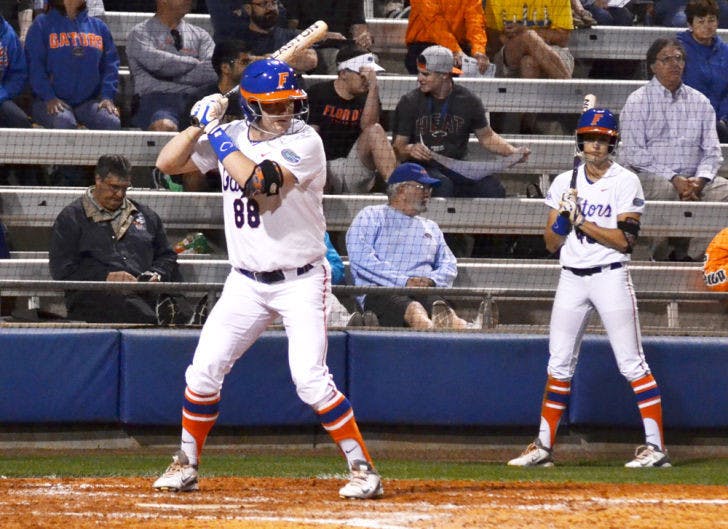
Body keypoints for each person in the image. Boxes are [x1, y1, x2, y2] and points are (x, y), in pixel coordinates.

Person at [150, 57, 383, 499]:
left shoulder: (306, 142)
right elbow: (167, 163)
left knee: (310, 379)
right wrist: (197, 124)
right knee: (202, 372)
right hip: (245, 281)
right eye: (273, 106)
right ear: (251, 105)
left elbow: (260, 183)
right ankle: (186, 464)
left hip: (301, 280)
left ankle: (362, 468)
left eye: (289, 103)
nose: (284, 113)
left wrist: (215, 132)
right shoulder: (232, 134)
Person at [507, 108, 670, 468]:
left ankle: (656, 449)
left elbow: (625, 241)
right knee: (559, 363)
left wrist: (583, 221)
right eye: (589, 139)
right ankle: (543, 446)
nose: (594, 146)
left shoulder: (626, 181)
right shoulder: (564, 181)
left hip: (610, 275)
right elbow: (550, 243)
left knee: (631, 362)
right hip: (570, 277)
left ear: (612, 143)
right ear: (580, 142)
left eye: (601, 140)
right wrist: (564, 220)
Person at [48, 154, 196, 325]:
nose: (119, 194)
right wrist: (106, 277)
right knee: (134, 309)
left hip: (146, 292)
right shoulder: (71, 218)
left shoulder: (146, 215)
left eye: (125, 188)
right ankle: (160, 321)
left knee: (182, 309)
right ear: (98, 180)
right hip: (96, 297)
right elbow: (62, 270)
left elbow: (167, 256)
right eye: (114, 187)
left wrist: (156, 273)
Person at [619, 37, 727, 261]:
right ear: (652, 67)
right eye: (666, 59)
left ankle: (694, 259)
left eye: (678, 58)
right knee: (664, 189)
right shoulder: (637, 101)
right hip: (651, 177)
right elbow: (634, 153)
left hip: (694, 180)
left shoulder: (700, 102)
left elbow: (712, 152)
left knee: (725, 190)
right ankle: (656, 257)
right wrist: (673, 177)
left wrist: (701, 179)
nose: (674, 63)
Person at [346, 162, 480, 329]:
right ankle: (436, 334)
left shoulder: (431, 226)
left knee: (446, 314)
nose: (428, 193)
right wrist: (404, 281)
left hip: (425, 291)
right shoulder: (370, 215)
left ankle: (473, 330)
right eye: (421, 187)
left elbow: (449, 264)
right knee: (415, 311)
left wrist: (432, 281)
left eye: (429, 188)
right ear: (401, 190)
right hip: (383, 291)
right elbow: (361, 259)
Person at [392, 45, 530, 199]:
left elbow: (487, 137)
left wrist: (513, 152)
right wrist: (410, 149)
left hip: (457, 167)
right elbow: (398, 146)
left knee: (493, 190)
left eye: (425, 74)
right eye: (419, 73)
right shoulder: (409, 102)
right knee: (443, 185)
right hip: (423, 168)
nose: (419, 78)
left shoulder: (468, 100)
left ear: (444, 75)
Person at [307, 45, 396, 193]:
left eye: (369, 76)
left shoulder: (369, 96)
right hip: (322, 166)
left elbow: (368, 126)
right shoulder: (318, 93)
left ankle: (395, 187)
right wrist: (320, 170)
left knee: (375, 130)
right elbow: (310, 138)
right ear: (343, 73)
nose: (366, 81)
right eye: (362, 76)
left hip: (354, 167)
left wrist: (373, 87)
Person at [24, 0, 120, 130]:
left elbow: (110, 65)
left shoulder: (99, 27)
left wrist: (107, 96)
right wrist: (48, 97)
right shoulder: (41, 24)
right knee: (63, 121)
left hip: (88, 102)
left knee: (110, 121)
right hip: (48, 101)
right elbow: (35, 66)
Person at [126, 0, 217, 132]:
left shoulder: (200, 34)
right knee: (164, 126)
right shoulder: (140, 33)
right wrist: (194, 62)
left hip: (196, 99)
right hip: (156, 99)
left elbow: (213, 69)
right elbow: (158, 64)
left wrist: (171, 77)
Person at [677, 0, 728, 143]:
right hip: (688, 120)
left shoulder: (726, 52)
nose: (707, 26)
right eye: (701, 21)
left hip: (721, 121)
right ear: (690, 25)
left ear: (717, 22)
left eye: (711, 21)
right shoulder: (678, 50)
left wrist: (724, 118)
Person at [484, 0, 574, 80]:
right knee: (528, 37)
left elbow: (563, 38)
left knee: (528, 62)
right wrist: (519, 40)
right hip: (510, 53)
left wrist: (525, 31)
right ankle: (570, 87)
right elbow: (493, 44)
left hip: (554, 49)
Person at [404, 0, 490, 75]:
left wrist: (479, 51)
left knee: (476, 70)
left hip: (458, 47)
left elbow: (475, 21)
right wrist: (453, 49)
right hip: (424, 45)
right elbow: (433, 21)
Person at [285, 0, 373, 74]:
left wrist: (363, 38)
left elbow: (359, 26)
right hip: (309, 46)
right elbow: (287, 32)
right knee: (334, 56)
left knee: (368, 58)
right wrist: (322, 36)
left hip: (344, 46)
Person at [232, 0, 317, 73]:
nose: (271, 8)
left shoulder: (292, 36)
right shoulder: (237, 39)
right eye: (264, 4)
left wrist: (260, 60)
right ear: (248, 9)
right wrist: (288, 60)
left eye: (273, 3)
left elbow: (310, 61)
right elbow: (238, 67)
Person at [0, 13, 31, 128]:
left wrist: (2, 94)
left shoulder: (9, 34)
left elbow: (18, 73)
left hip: (1, 98)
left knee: (21, 122)